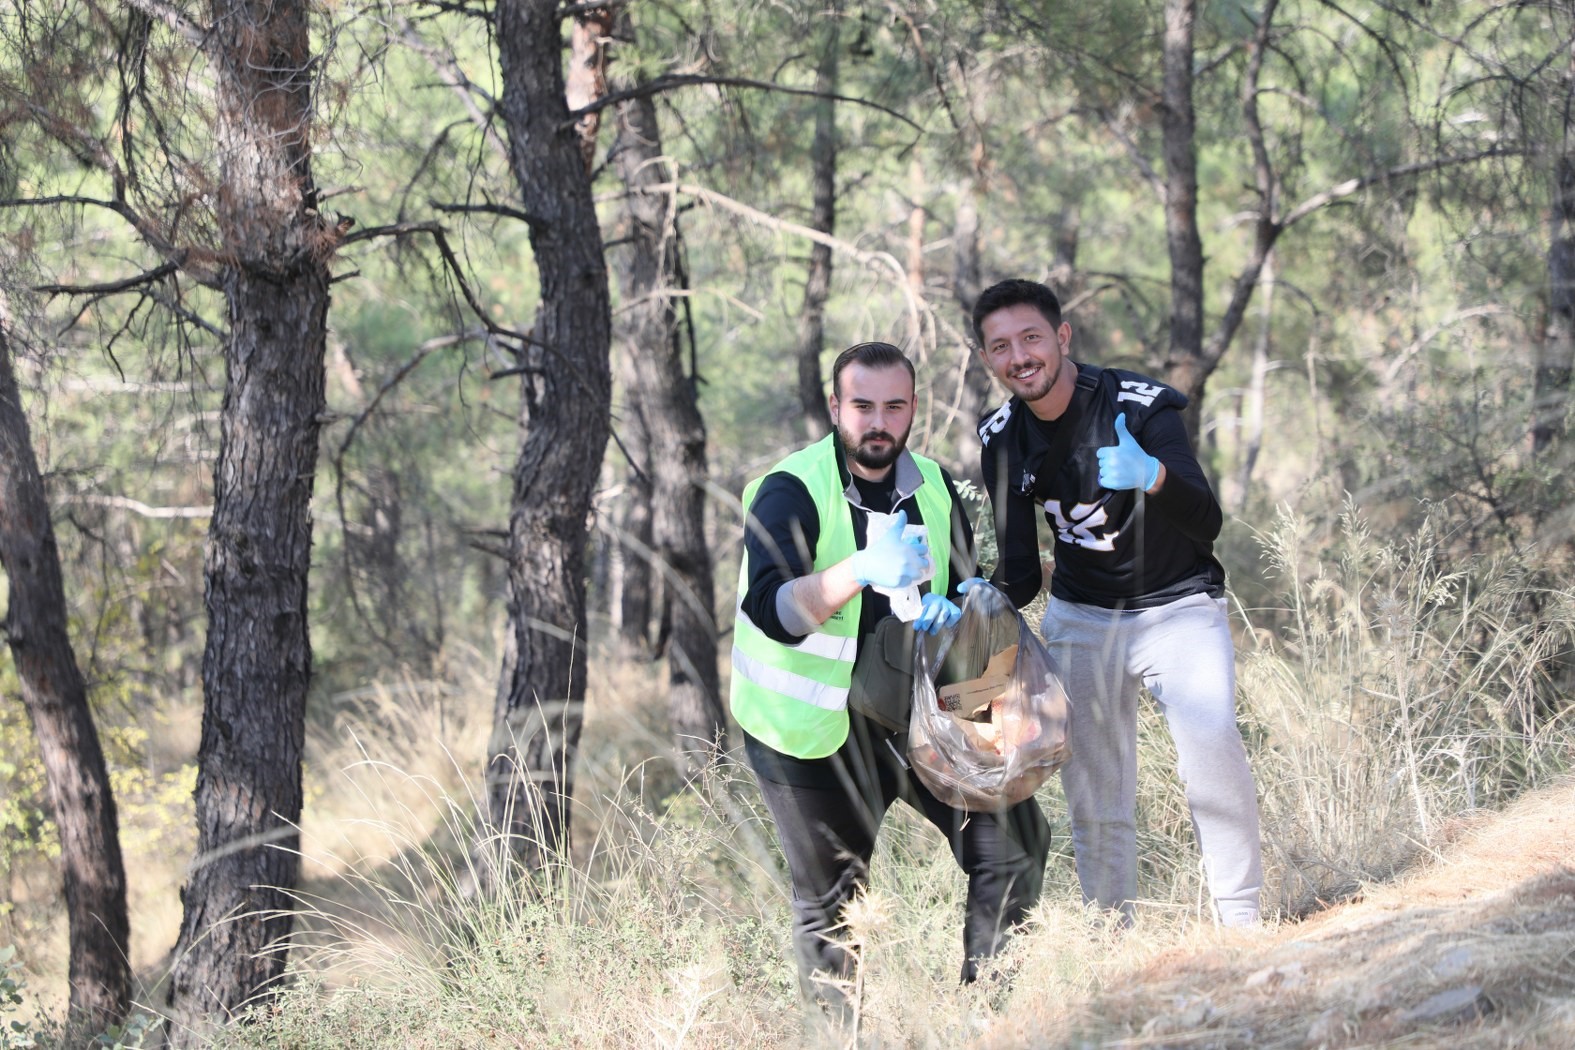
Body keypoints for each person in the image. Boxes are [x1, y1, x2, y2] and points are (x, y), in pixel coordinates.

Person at [730, 341, 1051, 1006]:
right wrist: (858, 572)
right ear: (833, 407)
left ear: (912, 409)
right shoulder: (790, 491)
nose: (877, 422)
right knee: (834, 911)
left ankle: (983, 1020)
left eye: (894, 406)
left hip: (913, 717)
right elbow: (774, 610)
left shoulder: (931, 485)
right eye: (861, 406)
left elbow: (963, 592)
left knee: (1016, 841)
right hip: (807, 735)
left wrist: (965, 607)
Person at [967, 278, 1263, 928]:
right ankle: (1112, 938)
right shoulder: (1001, 436)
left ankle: (1242, 927)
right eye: (1000, 347)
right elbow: (1021, 572)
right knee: (1094, 791)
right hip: (1083, 616)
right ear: (987, 360)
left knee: (1210, 749)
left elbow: (1207, 522)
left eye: (1030, 338)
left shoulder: (1138, 405)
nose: (1019, 356)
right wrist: (977, 600)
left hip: (1177, 605)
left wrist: (1152, 477)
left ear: (1061, 337)